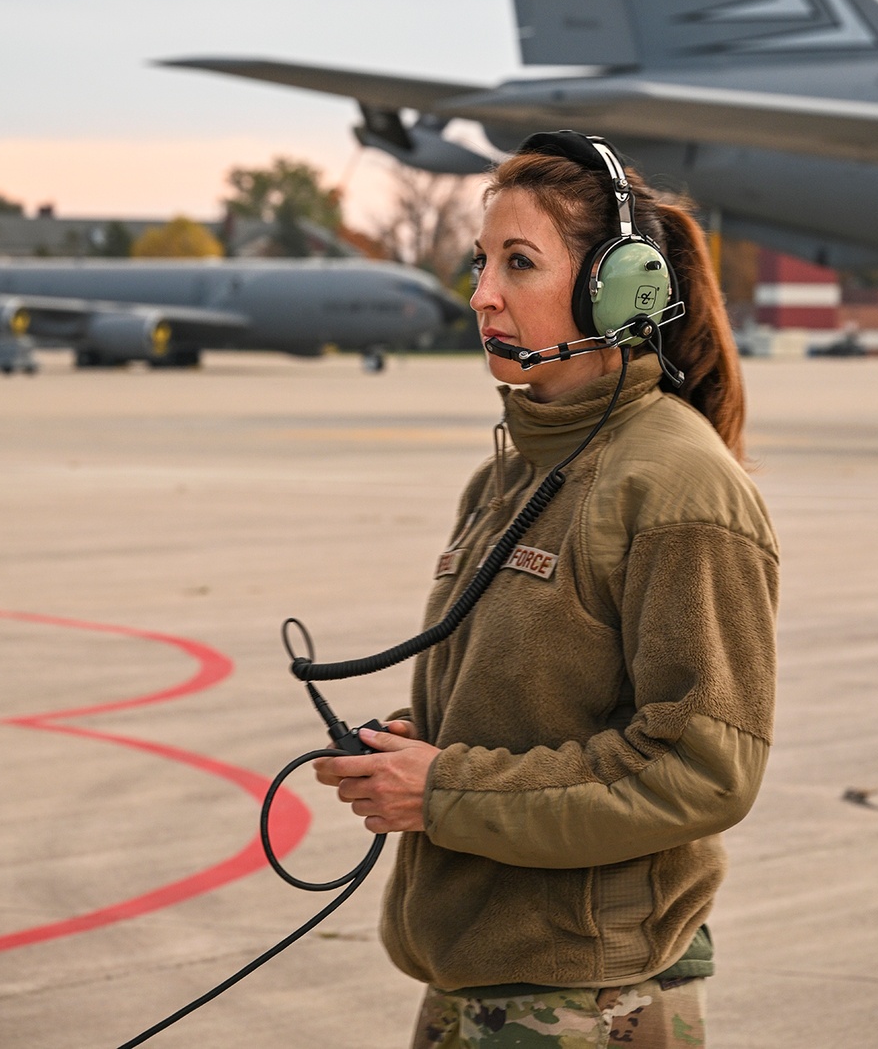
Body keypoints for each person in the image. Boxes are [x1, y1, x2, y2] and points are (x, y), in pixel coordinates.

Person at [315, 133, 779, 1048]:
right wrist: (418, 753)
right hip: (480, 987)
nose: (482, 292)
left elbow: (701, 769)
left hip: (588, 1004)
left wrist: (443, 788)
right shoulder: (513, 476)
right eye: (481, 261)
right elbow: (542, 702)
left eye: (518, 263)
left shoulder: (677, 487)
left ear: (620, 291)